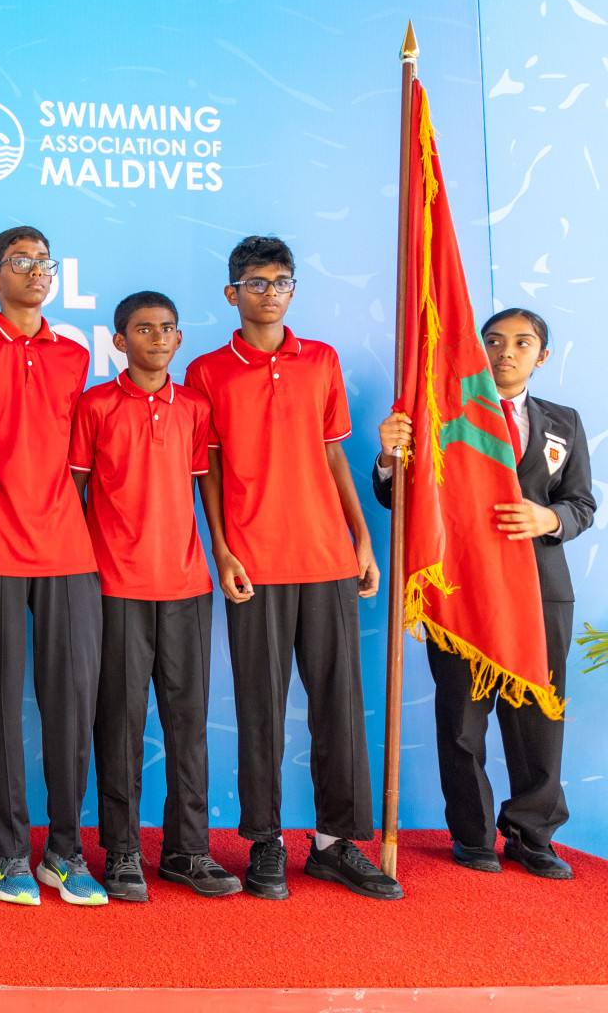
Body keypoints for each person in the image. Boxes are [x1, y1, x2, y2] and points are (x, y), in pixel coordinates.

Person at [184, 235, 401, 902]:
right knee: (261, 711)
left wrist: (363, 539)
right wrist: (222, 549)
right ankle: (265, 843)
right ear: (232, 294)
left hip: (329, 558)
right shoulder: (206, 372)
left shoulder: (321, 361)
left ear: (293, 290)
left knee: (339, 706)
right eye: (257, 282)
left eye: (282, 281)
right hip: (256, 560)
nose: (270, 292)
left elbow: (335, 456)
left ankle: (336, 845)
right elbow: (209, 472)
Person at [375, 307, 594, 879]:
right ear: (476, 350)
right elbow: (400, 499)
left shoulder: (564, 423)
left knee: (537, 720)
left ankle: (532, 834)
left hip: (540, 593)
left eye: (523, 343)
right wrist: (387, 457)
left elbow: (582, 507)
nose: (505, 352)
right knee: (461, 721)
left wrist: (547, 519)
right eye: (493, 341)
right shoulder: (442, 414)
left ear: (541, 356)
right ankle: (471, 835)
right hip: (461, 589)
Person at [0, 226, 105, 906]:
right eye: (22, 263)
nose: (37, 273)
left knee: (73, 705)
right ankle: (9, 853)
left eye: (45, 263)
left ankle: (64, 851)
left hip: (68, 552)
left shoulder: (73, 353)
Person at [71, 291, 241, 902]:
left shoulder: (196, 407)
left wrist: (220, 554)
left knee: (187, 724)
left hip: (188, 587)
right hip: (115, 587)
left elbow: (208, 490)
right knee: (119, 724)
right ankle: (120, 852)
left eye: (168, 328)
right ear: (120, 341)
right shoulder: (93, 407)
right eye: (144, 329)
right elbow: (74, 495)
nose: (159, 338)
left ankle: (186, 851)